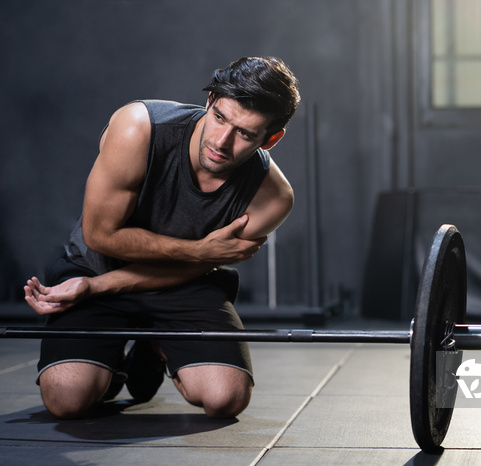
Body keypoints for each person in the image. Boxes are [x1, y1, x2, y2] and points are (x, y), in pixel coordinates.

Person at [23, 56, 300, 420]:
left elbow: (196, 267)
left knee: (225, 399)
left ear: (272, 138)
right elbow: (100, 235)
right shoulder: (138, 127)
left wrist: (199, 260)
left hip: (181, 282)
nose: (221, 141)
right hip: (92, 266)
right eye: (219, 117)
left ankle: (155, 346)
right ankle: (114, 363)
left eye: (245, 133)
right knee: (67, 400)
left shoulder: (271, 197)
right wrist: (200, 250)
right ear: (210, 100)